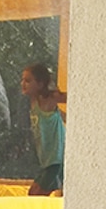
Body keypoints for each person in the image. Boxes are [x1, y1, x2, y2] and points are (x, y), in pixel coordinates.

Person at [21, 63, 66, 196]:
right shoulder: (33, 102)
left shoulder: (49, 100)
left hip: (55, 160)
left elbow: (72, 98)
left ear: (40, 84)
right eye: (22, 80)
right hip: (47, 161)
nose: (23, 83)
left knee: (36, 195)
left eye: (28, 81)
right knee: (33, 193)